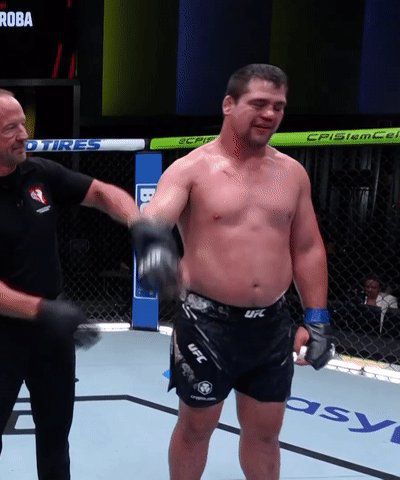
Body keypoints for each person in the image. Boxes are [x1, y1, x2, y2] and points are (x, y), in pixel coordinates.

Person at [132, 64, 334, 480]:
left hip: (271, 325)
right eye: (258, 103)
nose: (270, 114)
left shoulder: (292, 174)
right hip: (206, 323)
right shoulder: (192, 169)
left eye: (278, 106)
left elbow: (307, 247)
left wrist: (317, 318)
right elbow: (154, 218)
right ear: (229, 104)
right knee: (195, 428)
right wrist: (154, 249)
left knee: (266, 434)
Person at [0, 88, 139, 480]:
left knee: (54, 434)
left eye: (23, 124)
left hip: (51, 333)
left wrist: (141, 225)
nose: (23, 135)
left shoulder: (41, 173)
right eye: (10, 128)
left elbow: (100, 193)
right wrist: (42, 310)